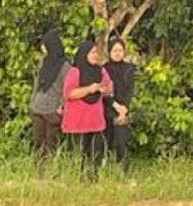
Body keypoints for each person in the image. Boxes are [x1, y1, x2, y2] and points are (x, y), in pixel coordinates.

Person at [63, 39, 113, 180]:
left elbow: (108, 88)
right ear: (84, 54)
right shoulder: (75, 71)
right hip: (78, 121)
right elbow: (69, 93)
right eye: (92, 52)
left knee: (95, 151)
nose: (96, 55)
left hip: (95, 120)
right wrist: (89, 89)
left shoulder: (101, 71)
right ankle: (78, 178)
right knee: (79, 152)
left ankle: (93, 177)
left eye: (97, 52)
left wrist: (105, 89)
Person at [30, 29, 71, 162]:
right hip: (38, 107)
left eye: (44, 45)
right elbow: (37, 83)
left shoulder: (65, 66)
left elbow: (68, 88)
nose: (42, 48)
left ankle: (48, 171)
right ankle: (38, 169)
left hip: (53, 109)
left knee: (51, 142)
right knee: (38, 141)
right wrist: (32, 102)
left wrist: (62, 106)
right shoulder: (43, 62)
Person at [103, 37, 137, 169]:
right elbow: (104, 92)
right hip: (108, 108)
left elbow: (130, 90)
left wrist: (124, 109)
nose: (117, 53)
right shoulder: (104, 69)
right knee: (106, 140)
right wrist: (115, 105)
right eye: (114, 50)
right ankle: (104, 168)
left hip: (123, 109)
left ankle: (123, 170)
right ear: (109, 52)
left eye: (120, 50)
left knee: (122, 140)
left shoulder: (129, 69)